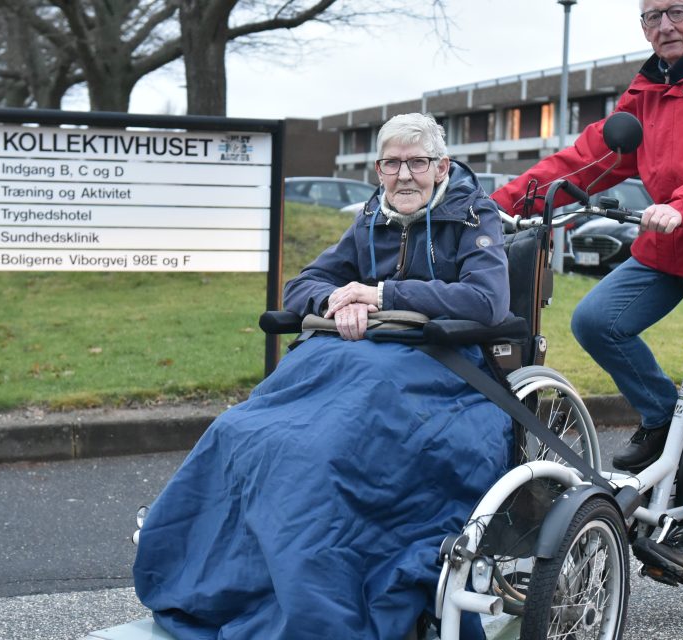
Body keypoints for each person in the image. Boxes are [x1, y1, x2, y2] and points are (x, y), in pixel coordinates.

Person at [134, 113, 512, 639]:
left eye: (417, 162)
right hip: (346, 362)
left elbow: (487, 300)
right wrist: (334, 296)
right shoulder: (369, 219)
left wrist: (380, 295)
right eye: (392, 163)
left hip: (434, 373)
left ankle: (315, 598)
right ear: (378, 170)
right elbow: (302, 284)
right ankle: (223, 582)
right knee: (239, 430)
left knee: (319, 452)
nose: (405, 175)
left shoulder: (473, 217)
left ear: (441, 166)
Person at [490, 1, 683, 593]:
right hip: (671, 248)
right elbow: (593, 156)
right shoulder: (650, 89)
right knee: (596, 320)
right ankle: (666, 418)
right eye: (651, 15)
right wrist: (505, 202)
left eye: (676, 10)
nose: (664, 25)